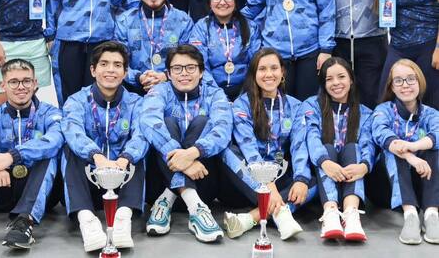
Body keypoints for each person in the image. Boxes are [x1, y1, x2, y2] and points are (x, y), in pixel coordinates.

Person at [61, 41, 148, 252]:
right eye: (104, 64)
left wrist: (124, 159)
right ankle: (87, 221)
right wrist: (97, 156)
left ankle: (122, 219)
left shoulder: (137, 102)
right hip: (89, 179)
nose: (111, 70)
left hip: (122, 178)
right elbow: (73, 131)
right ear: (93, 70)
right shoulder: (76, 100)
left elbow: (142, 134)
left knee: (138, 154)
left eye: (118, 65)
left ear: (125, 72)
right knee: (69, 149)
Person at [140, 45, 232, 243]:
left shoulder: (214, 94)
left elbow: (222, 130)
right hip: (160, 183)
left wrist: (191, 154)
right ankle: (195, 209)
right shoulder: (159, 91)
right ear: (168, 73)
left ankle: (172, 198)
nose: (184, 74)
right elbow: (149, 122)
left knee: (201, 121)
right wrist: (184, 162)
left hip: (203, 180)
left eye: (190, 68)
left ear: (201, 72)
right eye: (177, 68)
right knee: (166, 123)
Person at [221, 48, 316, 241]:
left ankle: (251, 218)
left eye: (274, 68)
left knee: (312, 180)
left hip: (281, 176)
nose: (269, 74)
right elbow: (249, 149)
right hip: (250, 179)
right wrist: (269, 186)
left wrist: (300, 180)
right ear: (254, 74)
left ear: (282, 72)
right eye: (262, 69)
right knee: (227, 152)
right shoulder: (242, 105)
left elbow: (299, 146)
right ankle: (282, 214)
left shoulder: (296, 106)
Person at [0, 59, 63, 250]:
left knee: (49, 154)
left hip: (40, 189)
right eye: (14, 82)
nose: (21, 87)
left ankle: (24, 223)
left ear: (35, 84)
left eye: (26, 81)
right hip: (3, 184)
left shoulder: (50, 113)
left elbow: (55, 140)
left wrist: (12, 156)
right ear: (3, 85)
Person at [303, 57, 375, 241]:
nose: (336, 83)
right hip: (324, 171)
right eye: (329, 79)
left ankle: (351, 214)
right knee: (326, 147)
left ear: (351, 79)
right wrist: (324, 162)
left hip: (352, 173)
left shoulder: (365, 112)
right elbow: (311, 137)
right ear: (323, 83)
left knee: (354, 147)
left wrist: (365, 166)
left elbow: (368, 142)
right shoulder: (312, 105)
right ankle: (331, 213)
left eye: (341, 76)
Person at [371, 59, 439, 245]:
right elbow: (382, 134)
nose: (405, 85)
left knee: (433, 147)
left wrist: (414, 146)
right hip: (385, 185)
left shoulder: (431, 113)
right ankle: (410, 215)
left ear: (420, 82)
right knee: (394, 148)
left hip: (421, 183)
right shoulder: (382, 110)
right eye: (399, 81)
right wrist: (410, 156)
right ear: (391, 86)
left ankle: (432, 213)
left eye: (411, 79)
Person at [115, 0, 193, 95]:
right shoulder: (124, 21)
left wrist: (165, 76)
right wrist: (139, 77)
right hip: (132, 92)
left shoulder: (183, 21)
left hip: (173, 91)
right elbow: (117, 61)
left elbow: (189, 59)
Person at [189, 0, 260, 101]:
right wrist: (216, 94)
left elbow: (256, 63)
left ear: (236, 1)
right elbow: (199, 65)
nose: (222, 2)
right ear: (210, 2)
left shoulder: (250, 26)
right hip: (211, 92)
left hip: (246, 91)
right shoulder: (201, 27)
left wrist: (245, 92)